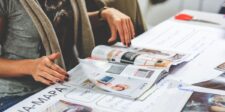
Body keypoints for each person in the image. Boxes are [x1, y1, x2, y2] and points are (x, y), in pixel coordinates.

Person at [0, 0, 144, 110]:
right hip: (20, 96)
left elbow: (62, 20)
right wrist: (31, 67)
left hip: (66, 82)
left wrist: (103, 14)